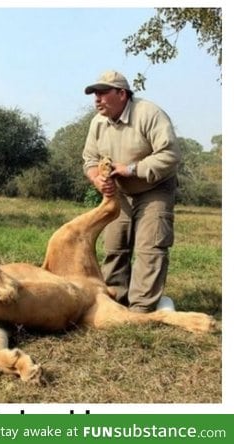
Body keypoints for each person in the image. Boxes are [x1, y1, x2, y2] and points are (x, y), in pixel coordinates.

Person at [82, 70, 181, 313]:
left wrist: (131, 169)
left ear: (122, 93)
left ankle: (142, 309)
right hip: (119, 192)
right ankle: (116, 302)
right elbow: (90, 159)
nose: (97, 99)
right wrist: (97, 179)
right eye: (95, 94)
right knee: (114, 247)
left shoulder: (149, 113)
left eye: (103, 93)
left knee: (151, 248)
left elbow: (170, 155)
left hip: (154, 188)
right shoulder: (98, 123)